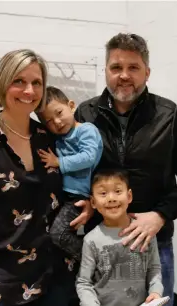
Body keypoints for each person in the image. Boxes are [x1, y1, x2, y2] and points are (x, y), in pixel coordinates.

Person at [75, 33, 177, 305]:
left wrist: (160, 215)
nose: (124, 75)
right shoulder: (84, 115)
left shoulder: (169, 116)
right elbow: (70, 173)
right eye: (116, 67)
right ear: (106, 71)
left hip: (155, 245)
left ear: (147, 72)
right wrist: (83, 203)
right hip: (99, 245)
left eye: (133, 67)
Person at [0, 49, 92, 306]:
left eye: (36, 83)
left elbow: (83, 172)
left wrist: (91, 201)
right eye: (19, 81)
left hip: (60, 278)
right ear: (2, 83)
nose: (29, 91)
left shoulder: (50, 137)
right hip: (7, 287)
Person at [76, 168, 164, 306]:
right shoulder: (91, 239)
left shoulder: (145, 232)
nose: (111, 198)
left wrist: (156, 291)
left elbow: (154, 268)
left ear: (129, 196)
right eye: (103, 193)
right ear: (93, 202)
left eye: (117, 191)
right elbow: (84, 282)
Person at [36, 86, 103, 264]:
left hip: (78, 197)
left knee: (58, 234)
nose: (56, 122)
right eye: (49, 121)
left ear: (71, 106)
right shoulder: (59, 138)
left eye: (59, 113)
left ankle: (94, 261)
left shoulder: (86, 130)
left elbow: (89, 157)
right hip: (63, 196)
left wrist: (59, 162)